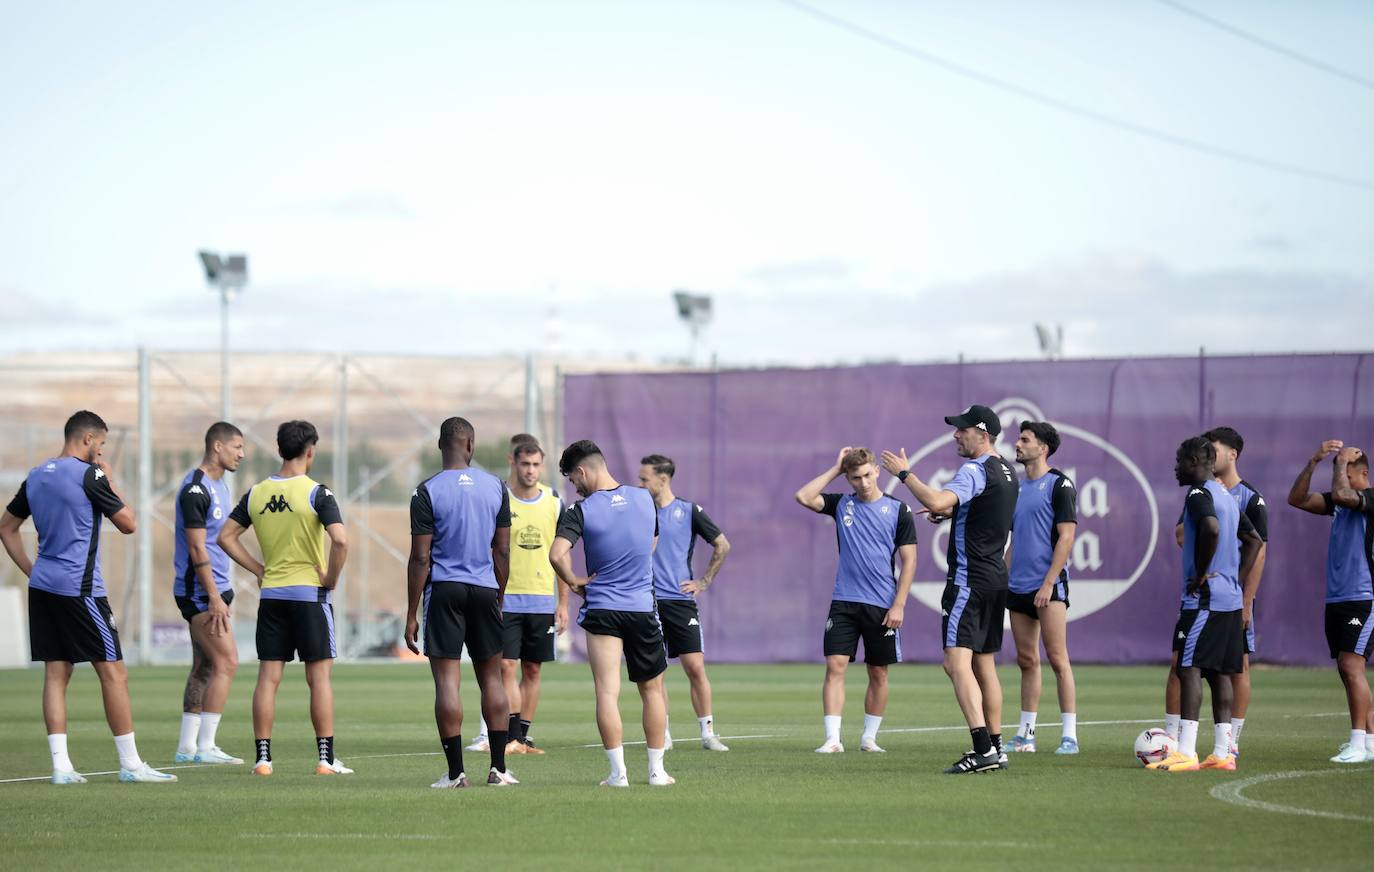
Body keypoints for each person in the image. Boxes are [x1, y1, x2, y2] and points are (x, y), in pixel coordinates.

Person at [0, 410, 175, 784]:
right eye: (101, 444)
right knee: (114, 673)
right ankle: (131, 765)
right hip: (81, 590)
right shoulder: (89, 474)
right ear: (87, 440)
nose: (101, 451)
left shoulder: (36, 474)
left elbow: (6, 527)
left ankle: (61, 767)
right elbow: (129, 524)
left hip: (44, 587)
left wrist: (32, 570)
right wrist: (110, 480)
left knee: (55, 672)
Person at [882, 404, 1017, 774]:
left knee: (955, 664)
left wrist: (905, 474)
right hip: (994, 579)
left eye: (963, 430)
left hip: (968, 580)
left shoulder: (974, 469)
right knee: (984, 665)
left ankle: (981, 750)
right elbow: (986, 513)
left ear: (983, 434)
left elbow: (937, 499)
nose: (956, 435)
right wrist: (955, 513)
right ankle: (998, 748)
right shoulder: (1007, 471)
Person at [219, 420, 352, 776]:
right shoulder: (317, 493)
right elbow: (340, 540)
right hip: (310, 595)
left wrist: (258, 569)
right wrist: (331, 579)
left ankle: (263, 759)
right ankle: (325, 759)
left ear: (279, 450)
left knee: (268, 677)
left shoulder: (256, 493)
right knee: (319, 678)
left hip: (273, 595)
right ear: (311, 451)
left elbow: (226, 537)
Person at [549, 439, 674, 787]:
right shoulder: (644, 498)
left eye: (573, 479)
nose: (575, 486)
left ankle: (618, 774)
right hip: (641, 608)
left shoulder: (581, 510)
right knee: (652, 690)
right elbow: (651, 543)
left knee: (607, 691)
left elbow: (557, 554)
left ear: (582, 471)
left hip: (603, 608)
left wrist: (574, 582)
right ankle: (657, 772)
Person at [404, 417, 518, 788]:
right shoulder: (497, 488)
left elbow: (421, 558)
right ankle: (498, 769)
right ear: (470, 445)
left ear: (442, 446)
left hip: (445, 592)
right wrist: (498, 596)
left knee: (447, 683)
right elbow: (501, 550)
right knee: (492, 680)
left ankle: (456, 774)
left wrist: (411, 613)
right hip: (485, 590)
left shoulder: (426, 491)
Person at [1148, 437, 1262, 772]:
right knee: (1218, 672)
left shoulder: (1199, 494)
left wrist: (1200, 575)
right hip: (1227, 598)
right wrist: (1234, 579)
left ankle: (1186, 751)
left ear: (1197, 460)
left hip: (1205, 599)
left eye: (1180, 460)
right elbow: (1253, 540)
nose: (1175, 467)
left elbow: (1210, 529)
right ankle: (1223, 753)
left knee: (1188, 668)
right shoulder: (1226, 495)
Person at [796, 447, 916, 754]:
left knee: (878, 671)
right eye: (855, 477)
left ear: (877, 471)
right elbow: (804, 497)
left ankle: (869, 738)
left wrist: (899, 604)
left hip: (882, 603)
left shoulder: (898, 510)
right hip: (844, 601)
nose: (862, 482)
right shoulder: (841, 505)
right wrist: (835, 468)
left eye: (866, 475)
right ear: (848, 479)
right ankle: (833, 739)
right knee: (835, 666)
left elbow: (909, 560)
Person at [469, 436, 566, 757]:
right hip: (505, 600)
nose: (531, 470)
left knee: (533, 669)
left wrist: (563, 602)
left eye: (537, 464)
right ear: (513, 461)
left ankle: (522, 738)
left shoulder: (554, 502)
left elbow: (562, 555)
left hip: (540, 599)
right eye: (525, 464)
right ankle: (510, 734)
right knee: (507, 666)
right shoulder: (500, 500)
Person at [1287, 441, 1374, 763]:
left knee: (1352, 667)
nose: (1340, 478)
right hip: (1338, 596)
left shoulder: (1369, 498)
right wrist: (1314, 460)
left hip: (1364, 596)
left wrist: (1338, 463)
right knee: (1347, 668)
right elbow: (1296, 499)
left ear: (1363, 473)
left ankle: (1356, 742)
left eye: (1347, 473)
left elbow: (1341, 494)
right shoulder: (1340, 503)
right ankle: (1369, 742)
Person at [640, 453, 732, 752]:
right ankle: (663, 733)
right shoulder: (641, 511)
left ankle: (707, 734)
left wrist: (704, 581)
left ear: (662, 479)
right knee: (656, 672)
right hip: (647, 602)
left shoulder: (688, 511)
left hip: (679, 602)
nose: (640, 483)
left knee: (695, 667)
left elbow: (722, 543)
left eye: (645, 479)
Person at [172, 421, 246, 765]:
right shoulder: (196, 489)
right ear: (217, 446)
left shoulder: (220, 487)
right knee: (227, 662)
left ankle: (187, 747)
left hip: (216, 589)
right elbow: (197, 548)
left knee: (203, 666)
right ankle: (206, 747)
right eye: (237, 447)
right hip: (201, 593)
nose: (241, 455)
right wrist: (214, 596)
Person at [1004, 421, 1079, 755]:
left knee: (1058, 659)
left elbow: (1066, 536)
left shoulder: (1060, 485)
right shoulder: (1017, 488)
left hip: (1047, 587)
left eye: (1024, 440)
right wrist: (1000, 579)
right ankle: (1026, 734)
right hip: (1017, 586)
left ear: (1043, 448)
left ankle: (1069, 736)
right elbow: (1013, 540)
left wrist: (1048, 583)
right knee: (1026, 660)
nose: (1017, 444)